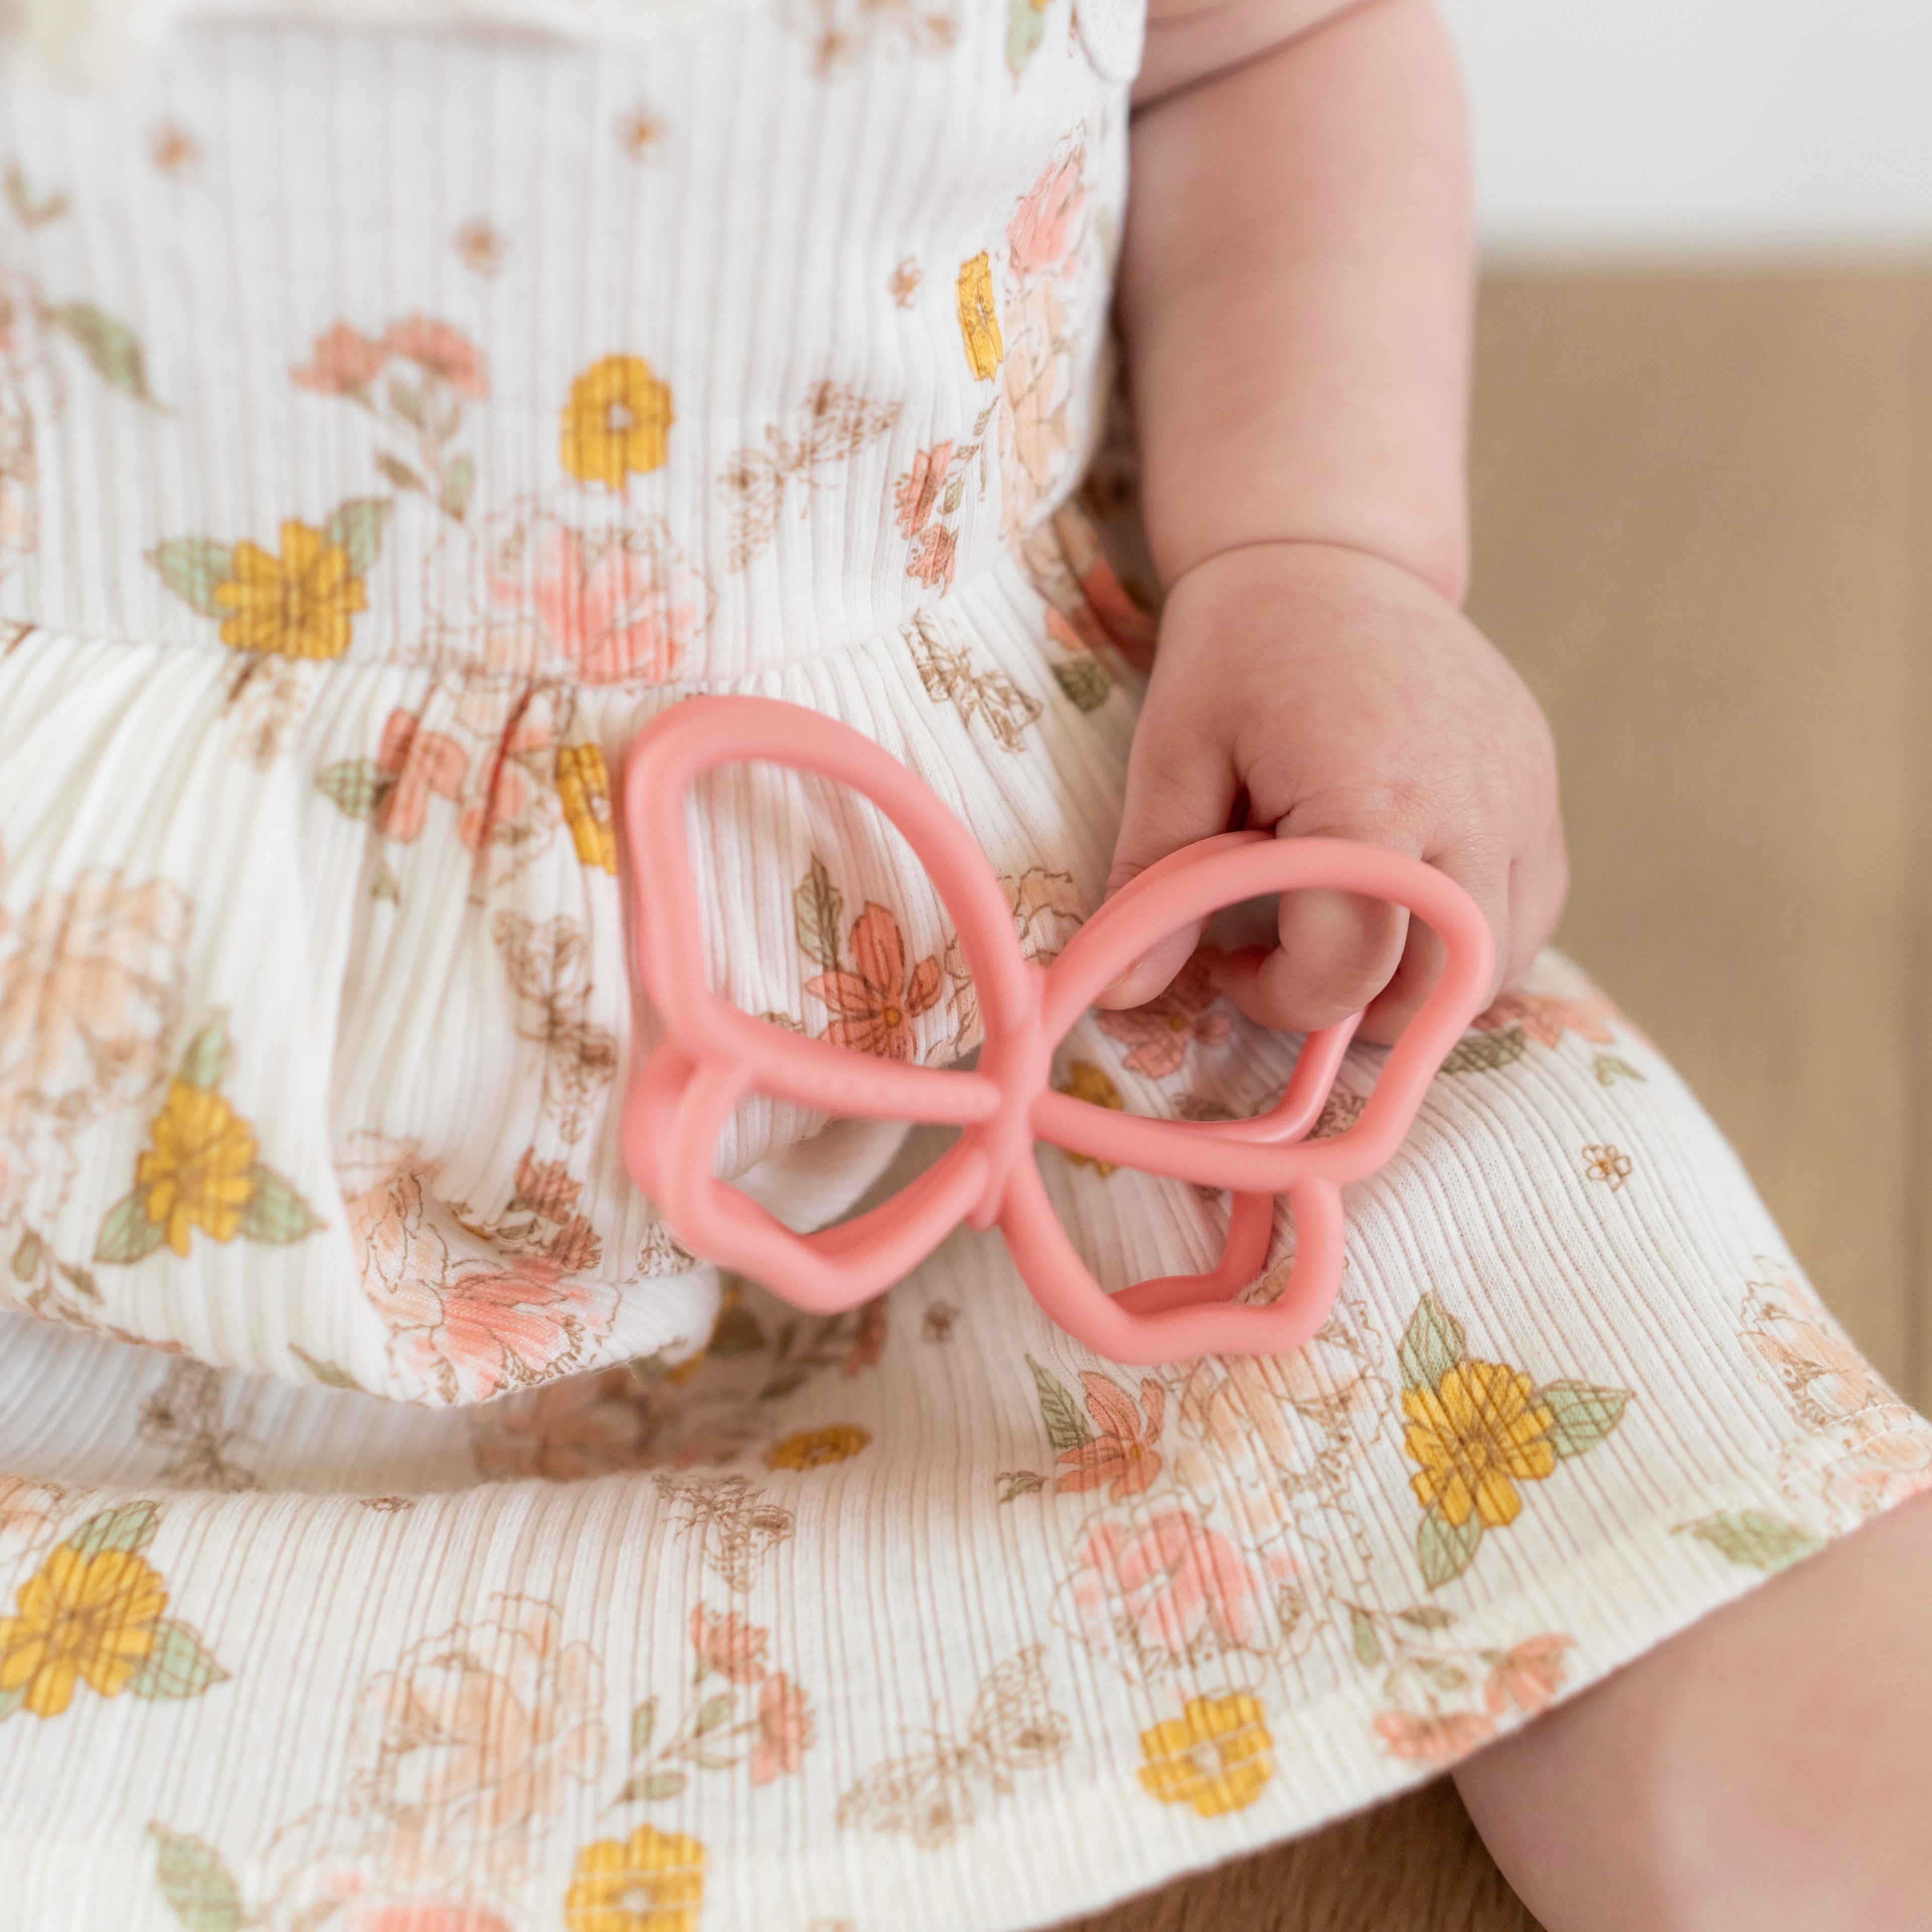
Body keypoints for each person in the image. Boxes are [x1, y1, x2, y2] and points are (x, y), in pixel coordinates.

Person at [0, 2, 1923, 1926]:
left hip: (1024, 1001)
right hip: (101, 1103)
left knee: (1582, 1407)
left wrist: (1321, 552)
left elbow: (1275, 42)